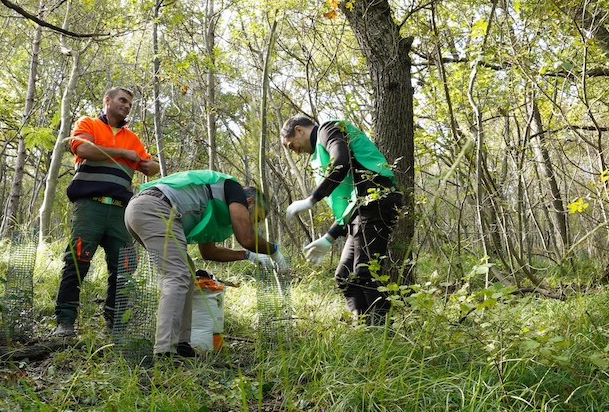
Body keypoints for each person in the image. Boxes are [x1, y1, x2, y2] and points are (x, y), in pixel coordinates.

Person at [124, 169, 289, 363]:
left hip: (142, 209)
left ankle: (182, 345)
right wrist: (274, 251)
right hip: (155, 207)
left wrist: (248, 255)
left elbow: (208, 252)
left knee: (186, 271)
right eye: (257, 218)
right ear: (249, 202)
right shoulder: (233, 189)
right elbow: (246, 237)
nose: (254, 223)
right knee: (176, 275)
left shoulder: (215, 206)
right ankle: (165, 351)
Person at [54, 87, 159, 336]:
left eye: (130, 104)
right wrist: (123, 154)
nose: (126, 106)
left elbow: (152, 168)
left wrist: (144, 162)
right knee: (77, 260)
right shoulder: (88, 124)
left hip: (121, 212)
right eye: (123, 101)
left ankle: (115, 325)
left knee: (125, 266)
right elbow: (82, 149)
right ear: (108, 100)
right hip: (90, 206)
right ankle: (65, 322)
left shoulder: (132, 138)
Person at [281, 114, 402, 325]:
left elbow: (341, 163)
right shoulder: (319, 155)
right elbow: (351, 202)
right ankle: (363, 328)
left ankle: (384, 334)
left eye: (291, 145)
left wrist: (312, 199)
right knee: (344, 276)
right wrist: (329, 238)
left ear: (299, 130)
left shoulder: (328, 130)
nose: (295, 151)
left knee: (366, 273)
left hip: (378, 200)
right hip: (363, 208)